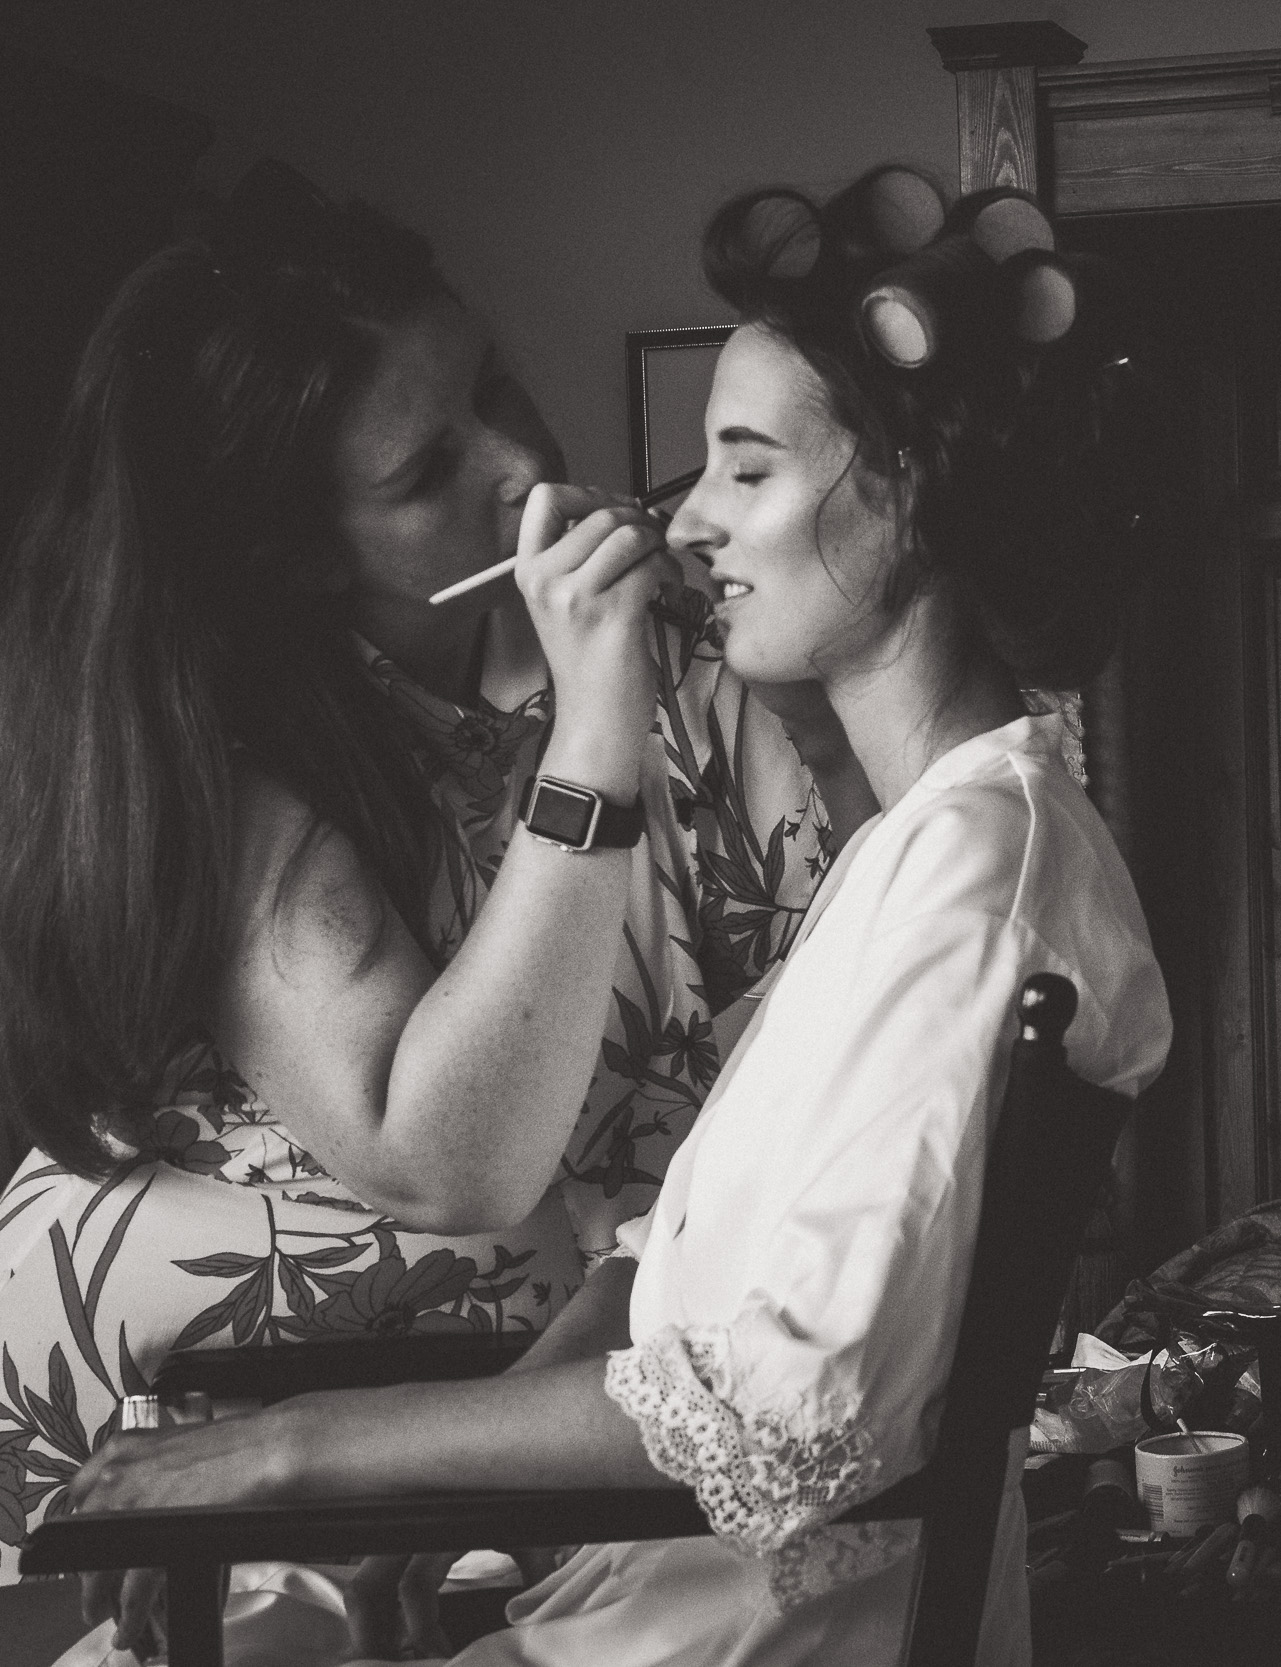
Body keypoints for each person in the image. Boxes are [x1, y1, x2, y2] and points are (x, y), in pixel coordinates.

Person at [57, 167, 1170, 1667]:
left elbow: (780, 1396)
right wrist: (398, 1469)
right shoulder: (920, 853)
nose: (667, 513)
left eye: (745, 469)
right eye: (424, 464)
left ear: (910, 496)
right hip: (595, 1568)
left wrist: (303, 1451)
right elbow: (681, 1257)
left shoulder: (959, 866)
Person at [0, 164, 869, 1587]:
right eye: (421, 472)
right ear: (300, 558)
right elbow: (455, 1156)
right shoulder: (226, 740)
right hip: (177, 1399)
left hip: (537, 1405)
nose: (519, 464)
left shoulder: (717, 662)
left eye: (496, 382)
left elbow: (796, 1087)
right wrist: (592, 741)